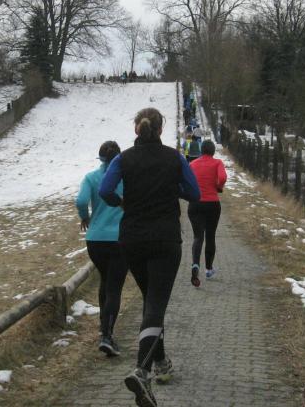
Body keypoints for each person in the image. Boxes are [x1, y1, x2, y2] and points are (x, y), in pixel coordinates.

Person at [100, 107, 200, 407]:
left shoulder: (123, 159)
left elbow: (105, 190)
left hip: (131, 239)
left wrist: (122, 201)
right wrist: (173, 188)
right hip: (165, 239)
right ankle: (142, 372)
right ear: (160, 130)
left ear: (136, 129)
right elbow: (194, 193)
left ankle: (161, 362)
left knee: (150, 302)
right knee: (155, 305)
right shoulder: (175, 157)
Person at [76, 141, 128, 357]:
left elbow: (81, 200)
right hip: (120, 239)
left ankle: (102, 326)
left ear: (100, 159)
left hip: (95, 240)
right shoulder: (126, 178)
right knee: (114, 287)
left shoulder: (91, 177)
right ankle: (107, 336)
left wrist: (85, 217)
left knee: (105, 280)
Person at [187, 140, 227, 287]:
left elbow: (187, 182)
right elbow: (222, 178)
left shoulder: (192, 164)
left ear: (201, 150)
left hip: (195, 204)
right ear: (213, 151)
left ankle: (195, 265)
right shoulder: (217, 163)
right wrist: (218, 187)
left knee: (198, 237)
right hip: (212, 205)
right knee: (210, 236)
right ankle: (209, 269)